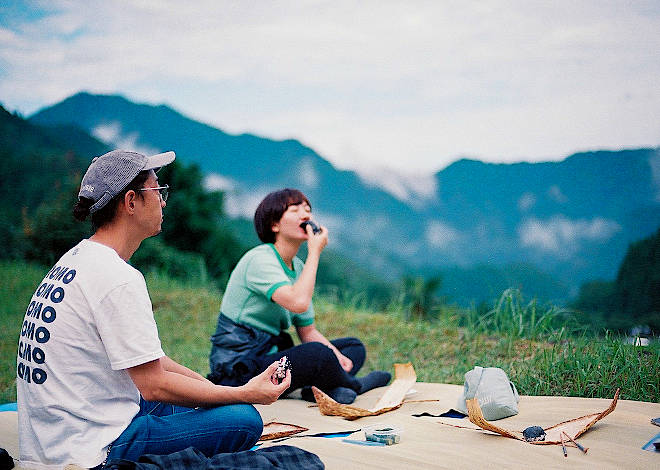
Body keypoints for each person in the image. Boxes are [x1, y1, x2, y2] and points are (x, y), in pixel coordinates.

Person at [16, 150, 290, 469]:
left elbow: (154, 363)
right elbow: (154, 385)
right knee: (244, 420)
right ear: (131, 202)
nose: (162, 201)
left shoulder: (77, 259)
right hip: (93, 447)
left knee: (212, 401)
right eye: (157, 191)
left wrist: (222, 390)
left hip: (58, 433)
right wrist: (244, 395)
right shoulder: (118, 278)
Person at [208, 188, 391, 405]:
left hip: (273, 360)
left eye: (307, 209)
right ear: (274, 225)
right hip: (238, 370)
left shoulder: (298, 267)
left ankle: (316, 388)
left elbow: (308, 331)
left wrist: (336, 357)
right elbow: (298, 302)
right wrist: (315, 252)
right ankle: (355, 386)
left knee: (352, 348)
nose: (306, 215)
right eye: (295, 210)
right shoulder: (259, 259)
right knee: (317, 354)